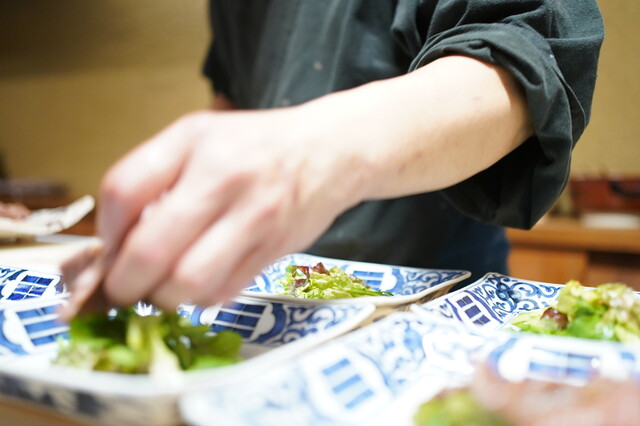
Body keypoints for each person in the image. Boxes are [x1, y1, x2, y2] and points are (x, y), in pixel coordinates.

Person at [60, 0, 604, 317]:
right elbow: (236, 96)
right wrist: (176, 210)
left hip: (431, 304)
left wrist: (312, 155)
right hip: (273, 301)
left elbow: (526, 52)